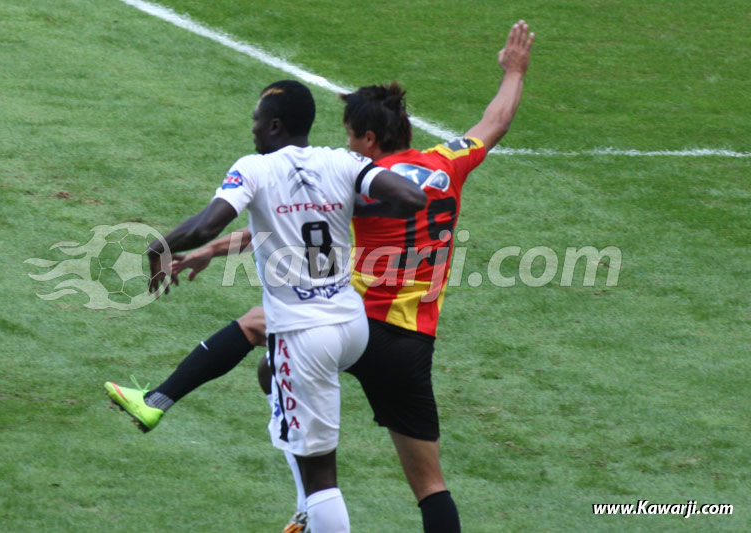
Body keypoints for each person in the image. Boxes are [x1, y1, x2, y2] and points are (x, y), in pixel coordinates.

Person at [106, 20, 534, 533]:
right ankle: (293, 493)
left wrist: (209, 249)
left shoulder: (359, 180)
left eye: (352, 136)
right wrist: (514, 71)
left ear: (370, 138)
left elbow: (292, 221)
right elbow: (497, 119)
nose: (347, 143)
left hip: (351, 319)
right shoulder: (446, 164)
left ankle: (169, 407)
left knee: (264, 332)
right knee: (430, 485)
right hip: (413, 344)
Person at [106, 79, 426, 533]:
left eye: (256, 120)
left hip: (306, 334)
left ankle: (310, 512)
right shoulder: (342, 160)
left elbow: (204, 225)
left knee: (322, 478)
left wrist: (158, 248)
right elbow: (412, 199)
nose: (252, 128)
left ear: (274, 125)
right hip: (352, 325)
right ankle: (302, 514)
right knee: (270, 375)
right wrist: (356, 211)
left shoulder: (254, 169)